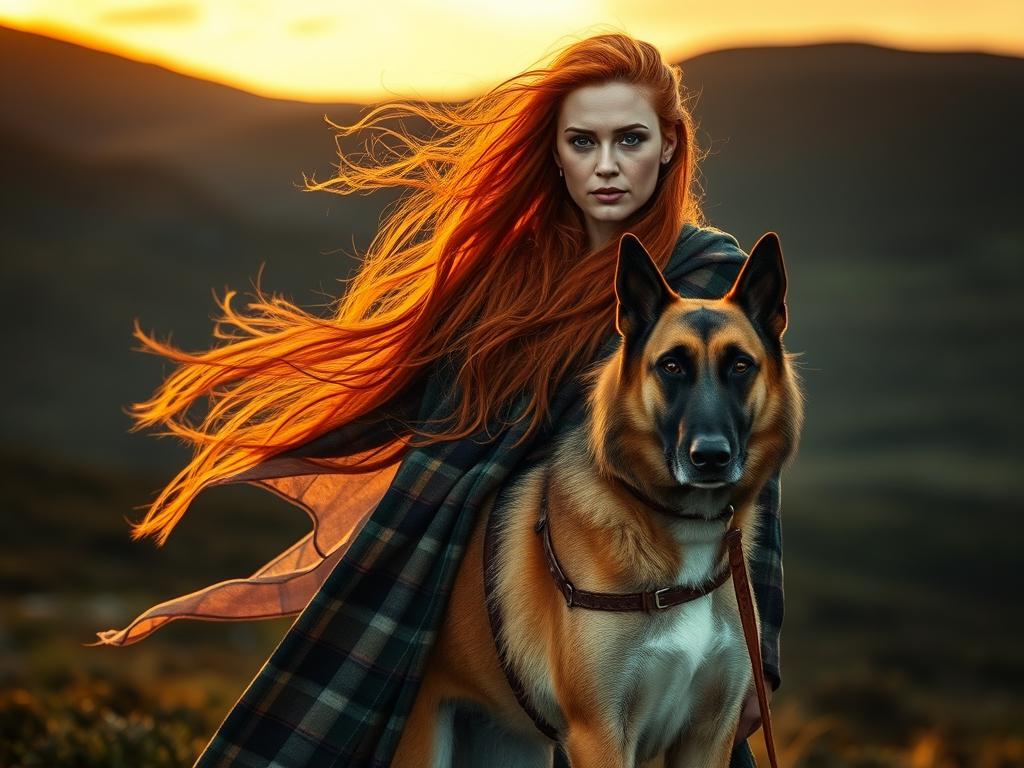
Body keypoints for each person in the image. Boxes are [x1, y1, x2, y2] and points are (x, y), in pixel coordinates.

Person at [93, 32, 786, 767]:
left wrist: (757, 644)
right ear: (554, 153)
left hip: (642, 601)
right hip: (478, 598)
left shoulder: (710, 276)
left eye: (631, 139)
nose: (607, 165)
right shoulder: (506, 276)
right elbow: (444, 428)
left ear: (671, 147)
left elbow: (747, 475)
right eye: (583, 141)